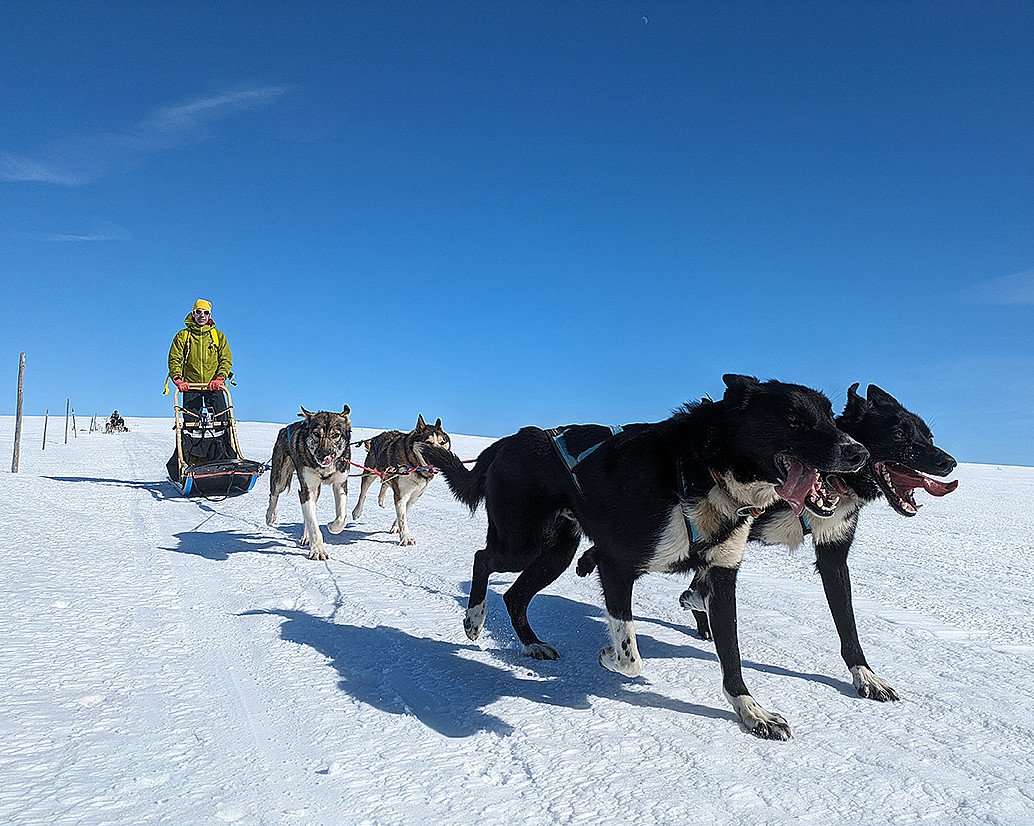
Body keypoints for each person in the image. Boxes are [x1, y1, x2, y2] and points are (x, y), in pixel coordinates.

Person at [166, 299, 236, 470]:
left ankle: (225, 458)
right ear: (193, 313)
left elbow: (225, 359)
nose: (202, 316)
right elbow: (175, 358)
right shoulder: (183, 336)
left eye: (205, 313)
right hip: (191, 386)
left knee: (224, 422)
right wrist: (178, 378)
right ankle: (192, 462)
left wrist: (220, 378)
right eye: (198, 312)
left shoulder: (218, 336)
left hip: (214, 385)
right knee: (191, 424)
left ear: (210, 315)